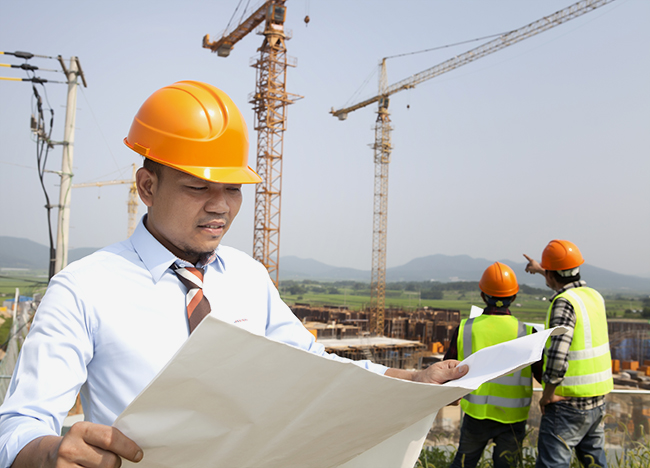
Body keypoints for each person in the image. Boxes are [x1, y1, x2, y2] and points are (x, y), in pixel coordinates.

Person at [0, 81, 468, 468]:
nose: (220, 206)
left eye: (232, 188)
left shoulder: (247, 276)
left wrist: (403, 380)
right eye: (197, 187)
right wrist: (50, 453)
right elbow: (19, 423)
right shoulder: (85, 289)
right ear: (147, 186)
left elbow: (315, 365)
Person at [524, 240, 612, 468]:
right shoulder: (594, 296)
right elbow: (561, 279)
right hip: (598, 399)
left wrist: (548, 393)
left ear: (551, 274)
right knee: (595, 463)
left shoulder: (564, 303)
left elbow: (557, 354)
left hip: (566, 403)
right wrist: (541, 269)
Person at [444, 262, 541, 468]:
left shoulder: (465, 328)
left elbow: (446, 369)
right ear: (513, 297)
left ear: (482, 295)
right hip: (513, 417)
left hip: (476, 414)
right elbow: (543, 375)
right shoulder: (527, 333)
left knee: (463, 464)